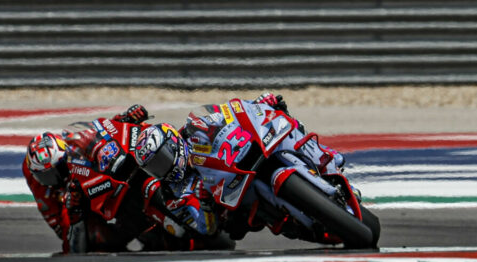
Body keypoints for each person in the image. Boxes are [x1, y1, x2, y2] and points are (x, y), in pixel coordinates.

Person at [134, 93, 348, 245]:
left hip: (241, 161)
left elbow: (229, 113)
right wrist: (204, 204)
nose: (161, 169)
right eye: (154, 167)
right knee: (245, 225)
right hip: (235, 209)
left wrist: (259, 104)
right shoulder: (173, 191)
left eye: (161, 159)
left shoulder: (192, 131)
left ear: (173, 144)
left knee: (285, 121)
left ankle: (326, 161)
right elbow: (204, 227)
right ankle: (296, 218)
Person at [23, 104, 178, 253]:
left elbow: (97, 135)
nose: (54, 178)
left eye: (57, 170)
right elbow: (64, 231)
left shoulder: (71, 145)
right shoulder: (42, 186)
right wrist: (75, 214)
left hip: (102, 181)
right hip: (81, 211)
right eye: (46, 176)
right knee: (96, 237)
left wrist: (121, 120)